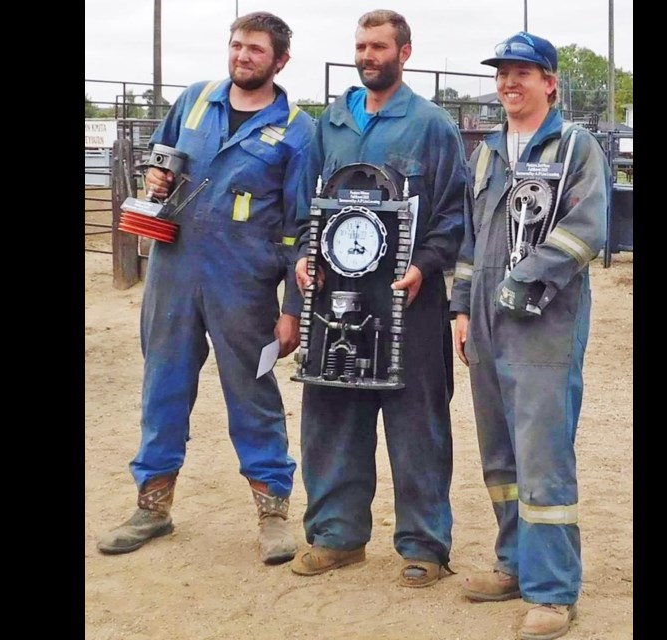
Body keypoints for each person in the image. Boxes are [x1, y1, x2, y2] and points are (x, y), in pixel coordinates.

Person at [96, 12, 316, 566]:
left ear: (280, 61)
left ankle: (271, 514)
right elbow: (158, 152)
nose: (242, 56)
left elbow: (302, 230)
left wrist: (292, 310)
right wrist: (154, 176)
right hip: (174, 273)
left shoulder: (297, 130)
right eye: (237, 45)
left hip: (244, 285)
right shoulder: (195, 99)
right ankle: (152, 507)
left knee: (255, 393)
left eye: (256, 50)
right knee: (162, 386)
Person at [289, 9, 468, 588]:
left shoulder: (431, 125)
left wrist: (423, 267)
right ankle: (337, 536)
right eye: (360, 46)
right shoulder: (331, 124)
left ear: (404, 53)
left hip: (408, 302)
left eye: (379, 47)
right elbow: (306, 205)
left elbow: (452, 214)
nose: (367, 56)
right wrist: (303, 255)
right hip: (335, 298)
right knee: (331, 414)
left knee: (417, 423)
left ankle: (424, 546)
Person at [450, 31, 610, 639]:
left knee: (542, 455)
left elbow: (586, 227)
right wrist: (461, 308)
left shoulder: (575, 147)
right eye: (502, 73)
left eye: (523, 72)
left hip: (545, 320)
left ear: (550, 83)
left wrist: (530, 276)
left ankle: (552, 592)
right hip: (487, 320)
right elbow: (469, 239)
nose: (509, 82)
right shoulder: (488, 153)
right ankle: (513, 564)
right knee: (501, 455)